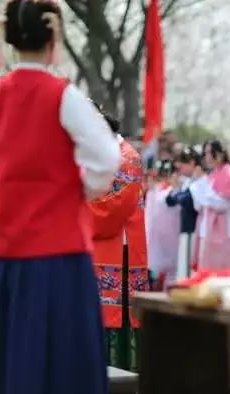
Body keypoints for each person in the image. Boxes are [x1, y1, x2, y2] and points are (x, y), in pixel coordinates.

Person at [0, 1, 120, 394]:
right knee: (58, 362)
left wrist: (6, 181)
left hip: (0, 254)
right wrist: (70, 185)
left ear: (9, 40)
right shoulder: (63, 94)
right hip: (58, 253)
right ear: (54, 42)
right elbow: (105, 161)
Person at [88, 104, 149, 371]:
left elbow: (114, 206)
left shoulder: (127, 158)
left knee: (119, 315)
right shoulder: (103, 155)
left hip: (119, 246)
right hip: (104, 244)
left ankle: (122, 381)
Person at [190, 140, 230, 269]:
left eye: (210, 153)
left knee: (224, 270)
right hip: (209, 229)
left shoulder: (229, 172)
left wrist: (202, 188)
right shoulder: (213, 173)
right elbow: (201, 202)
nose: (207, 156)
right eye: (206, 153)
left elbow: (223, 203)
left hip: (225, 229)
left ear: (220, 154)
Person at [166, 146, 203, 280]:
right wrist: (177, 191)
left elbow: (186, 200)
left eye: (184, 162)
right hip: (185, 230)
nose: (179, 166)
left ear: (193, 163)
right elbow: (170, 200)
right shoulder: (187, 181)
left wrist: (178, 193)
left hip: (194, 230)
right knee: (183, 269)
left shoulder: (200, 180)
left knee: (189, 271)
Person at [145, 159, 180, 289]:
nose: (166, 177)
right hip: (158, 236)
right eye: (163, 174)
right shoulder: (154, 192)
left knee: (172, 270)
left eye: (169, 174)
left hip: (172, 234)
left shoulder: (172, 191)